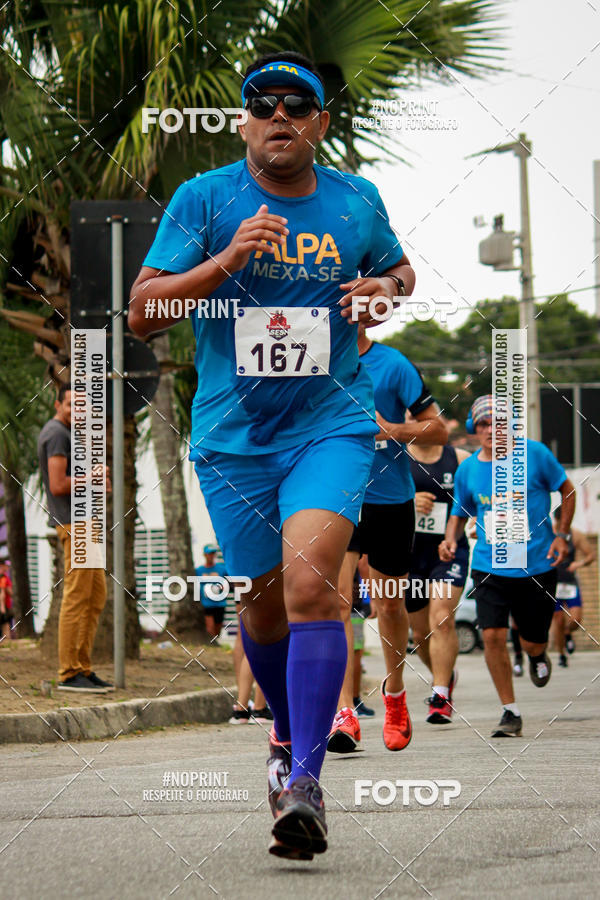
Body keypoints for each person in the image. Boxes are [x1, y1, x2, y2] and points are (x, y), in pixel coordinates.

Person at [129, 50, 415, 860]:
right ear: (244, 121)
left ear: (321, 121)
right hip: (234, 435)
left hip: (332, 423)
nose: (279, 114)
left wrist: (386, 290)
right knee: (261, 606)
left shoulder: (356, 199)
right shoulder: (205, 198)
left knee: (312, 588)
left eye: (297, 104)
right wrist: (226, 260)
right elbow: (142, 312)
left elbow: (398, 268)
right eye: (263, 103)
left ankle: (307, 783)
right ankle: (285, 738)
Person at [329, 325, 447, 753]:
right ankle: (343, 711)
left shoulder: (393, 364)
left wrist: (393, 430)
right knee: (338, 603)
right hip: (335, 496)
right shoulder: (311, 358)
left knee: (390, 604)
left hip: (390, 499)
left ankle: (394, 693)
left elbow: (438, 430)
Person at [440, 394, 575, 738]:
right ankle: (510, 711)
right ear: (474, 429)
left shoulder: (535, 455)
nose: (490, 430)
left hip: (536, 564)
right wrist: (450, 539)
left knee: (532, 642)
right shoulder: (468, 468)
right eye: (483, 424)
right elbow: (459, 510)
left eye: (498, 423)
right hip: (488, 565)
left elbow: (567, 490)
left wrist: (562, 535)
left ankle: (537, 655)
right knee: (492, 636)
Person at [37, 383, 113, 692]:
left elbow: (77, 481)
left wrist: (97, 483)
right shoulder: (56, 433)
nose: (78, 410)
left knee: (95, 597)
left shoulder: (70, 434)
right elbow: (57, 485)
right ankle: (68, 673)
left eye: (83, 405)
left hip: (86, 523)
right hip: (74, 524)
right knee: (77, 597)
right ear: (58, 405)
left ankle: (83, 667)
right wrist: (93, 477)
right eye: (71, 404)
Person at [406, 437, 470, 724]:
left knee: (442, 618)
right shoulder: (396, 459)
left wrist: (479, 520)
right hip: (409, 555)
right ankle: (443, 676)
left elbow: (481, 490)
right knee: (420, 635)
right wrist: (409, 502)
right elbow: (377, 500)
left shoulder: (459, 459)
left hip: (448, 551)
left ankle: (440, 695)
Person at [550, 507, 595, 666]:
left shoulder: (575, 535)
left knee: (576, 619)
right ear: (556, 520)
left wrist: (579, 563)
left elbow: (591, 555)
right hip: (553, 582)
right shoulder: (548, 534)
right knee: (558, 620)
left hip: (569, 582)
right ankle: (561, 655)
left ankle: (568, 633)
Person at [351, 555, 375, 718]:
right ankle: (354, 700)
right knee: (355, 651)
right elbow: (363, 563)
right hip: (353, 602)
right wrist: (372, 597)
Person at [195, 543, 228, 642]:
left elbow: (230, 582)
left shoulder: (222, 569)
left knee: (217, 631)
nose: (211, 556)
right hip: (206, 604)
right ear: (205, 555)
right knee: (210, 629)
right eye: (209, 553)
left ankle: (215, 644)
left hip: (220, 604)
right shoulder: (198, 571)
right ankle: (211, 645)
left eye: (213, 553)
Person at [0, 560, 13, 640]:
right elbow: (3, 593)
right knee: (6, 625)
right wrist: (2, 607)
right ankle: (7, 640)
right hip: (4, 605)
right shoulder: (3, 578)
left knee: (5, 624)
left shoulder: (4, 577)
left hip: (5, 604)